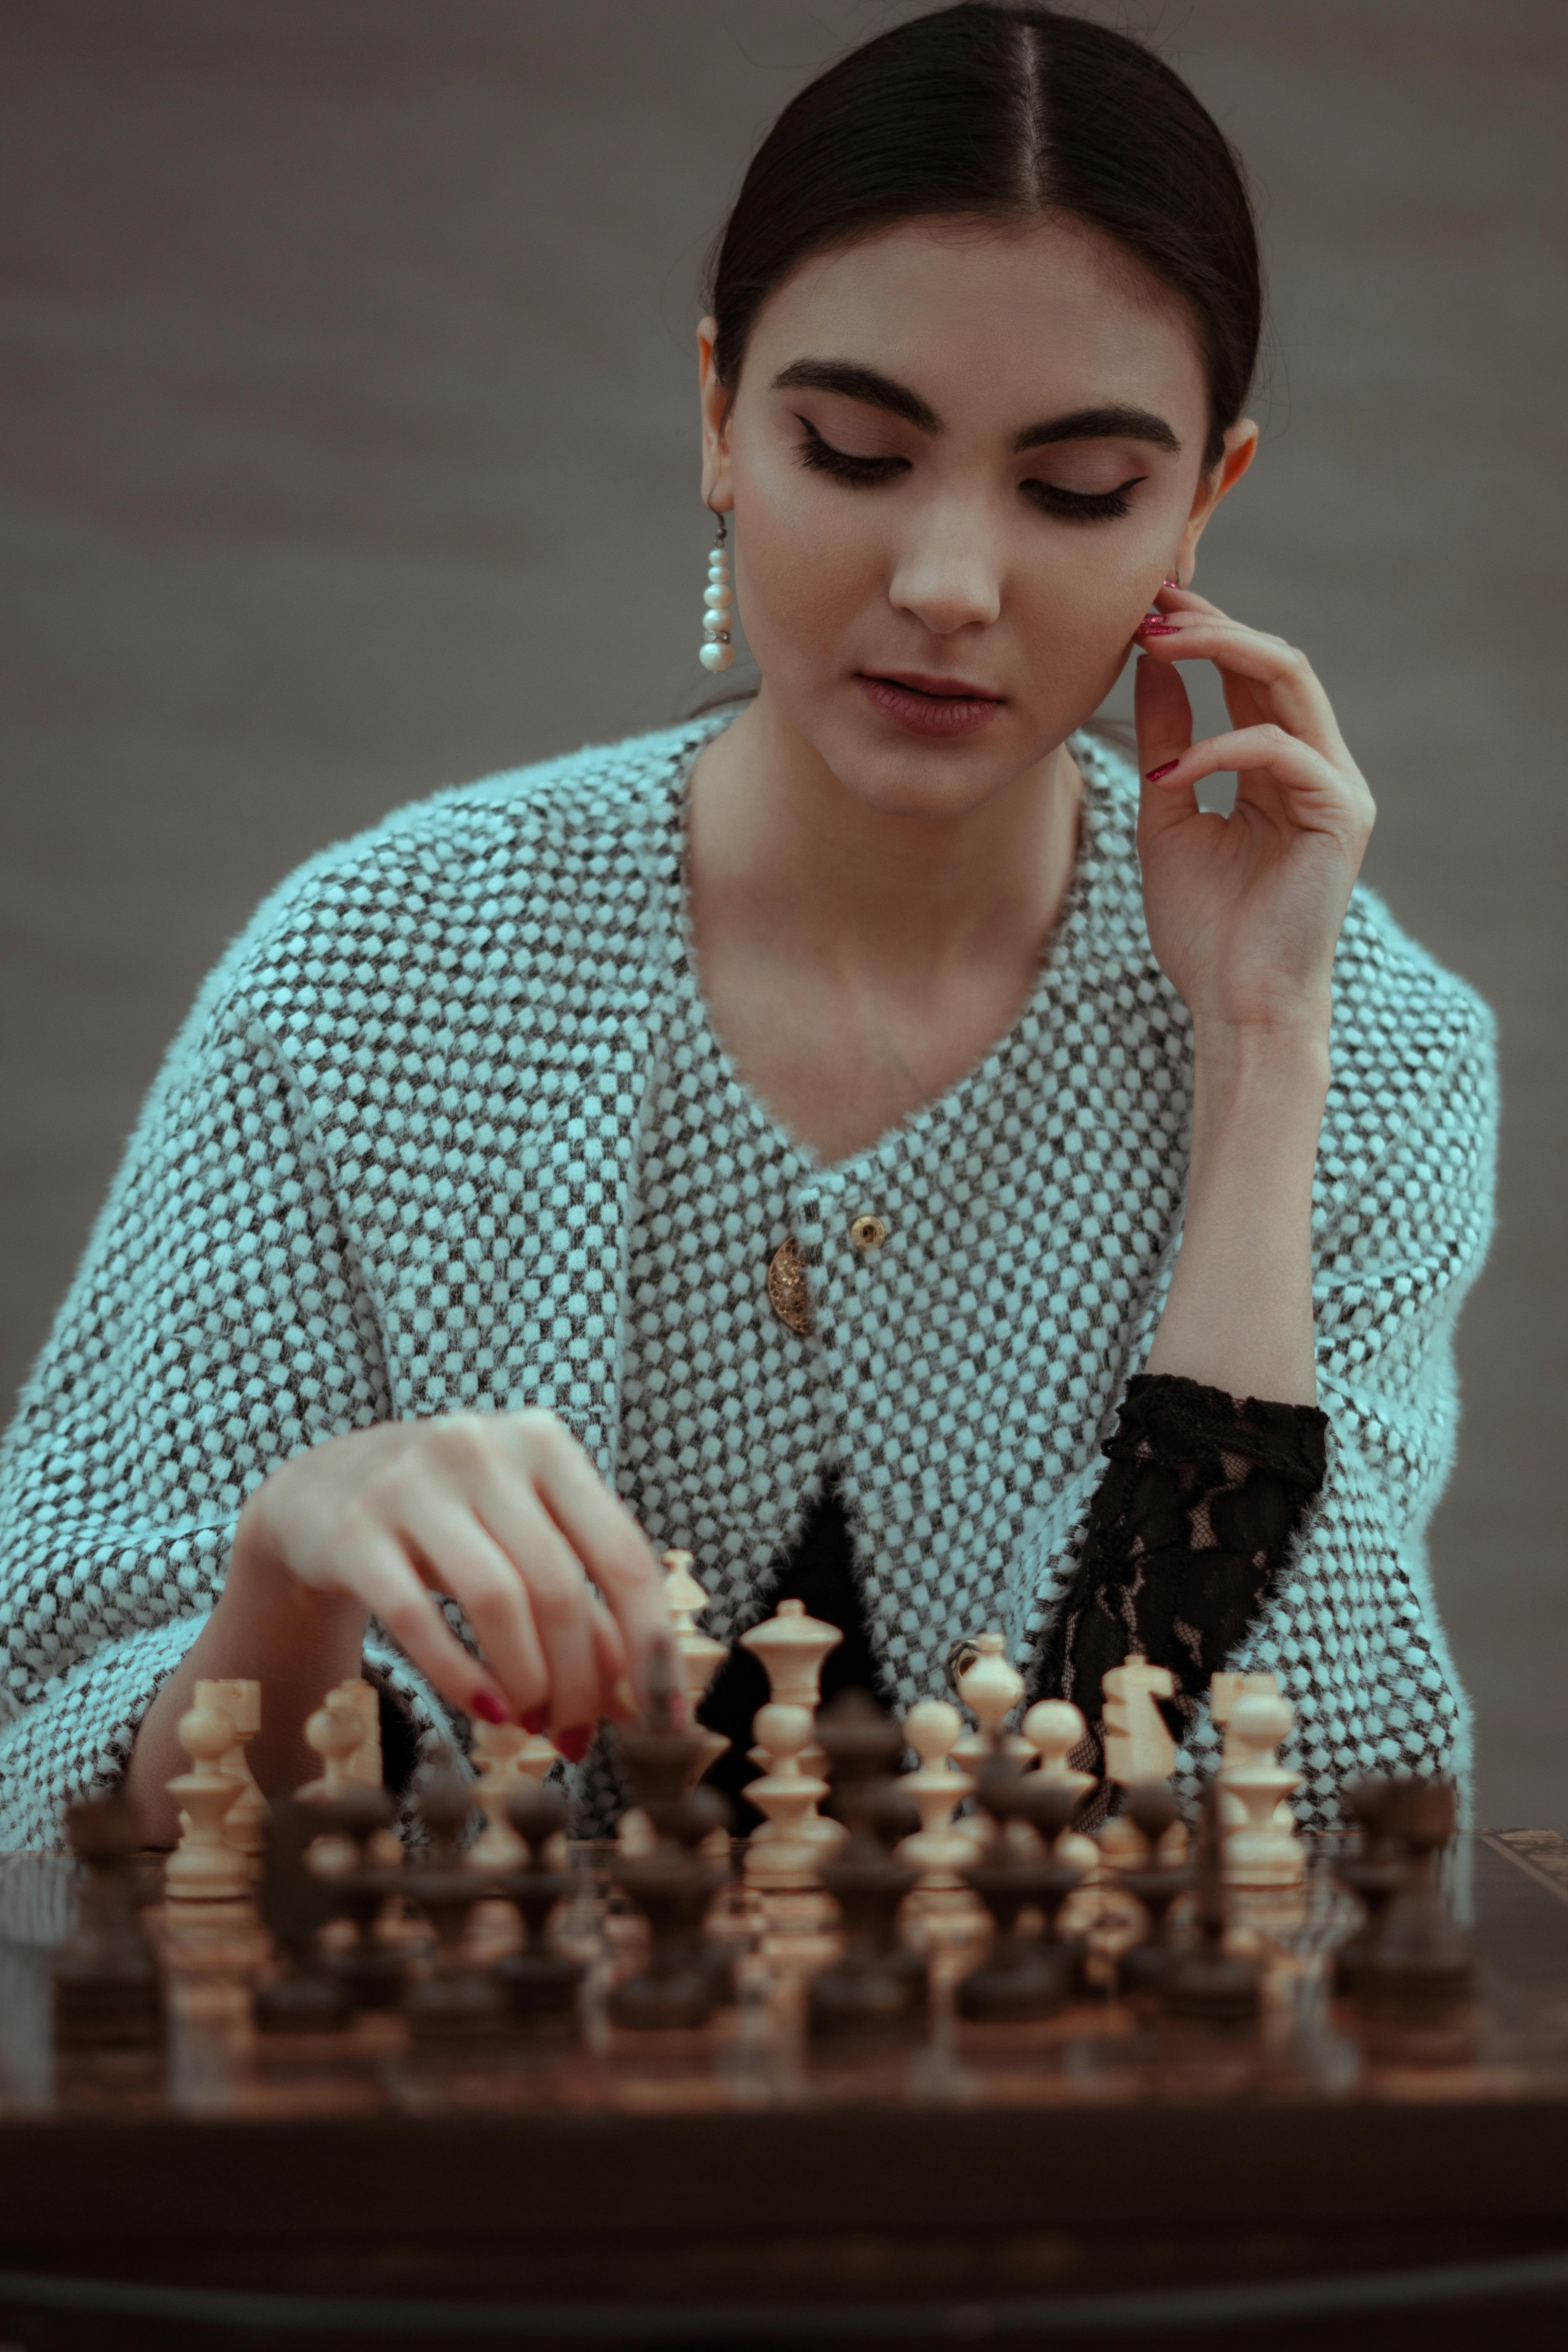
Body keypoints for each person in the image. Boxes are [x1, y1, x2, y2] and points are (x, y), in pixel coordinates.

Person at [0, 4, 1495, 1850]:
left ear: (1202, 500)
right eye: (854, 452)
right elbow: (79, 1782)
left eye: (1078, 492)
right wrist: (285, 1580)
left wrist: (1261, 1048)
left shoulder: (1373, 1054)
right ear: (718, 418)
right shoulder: (366, 978)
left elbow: (1309, 1805)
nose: (947, 583)